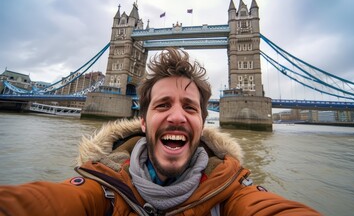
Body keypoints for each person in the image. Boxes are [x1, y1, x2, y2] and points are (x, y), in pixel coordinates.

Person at [0, 48, 321, 215]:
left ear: (203, 122)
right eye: (163, 105)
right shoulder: (101, 188)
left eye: (190, 107)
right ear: (142, 120)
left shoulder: (232, 193)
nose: (178, 116)